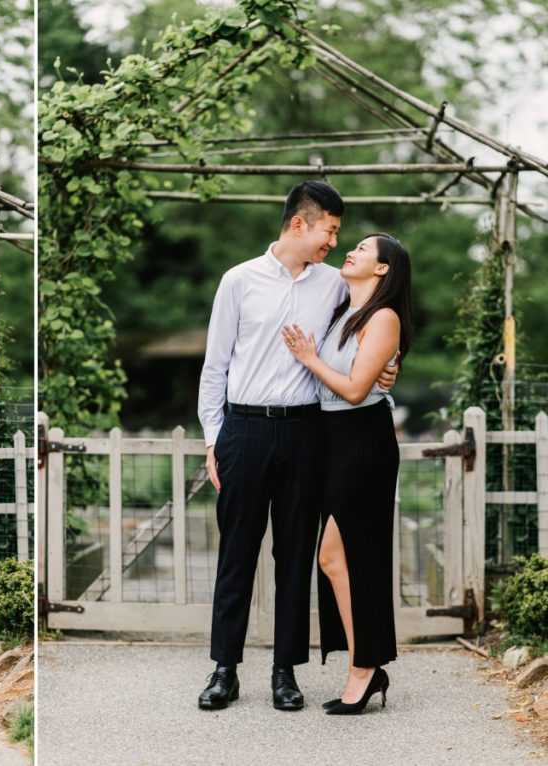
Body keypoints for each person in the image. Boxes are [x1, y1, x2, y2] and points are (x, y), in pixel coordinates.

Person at [196, 181, 397, 711]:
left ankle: (285, 672)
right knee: (236, 554)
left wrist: (389, 369)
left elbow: (369, 333)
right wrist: (215, 441)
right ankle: (224, 670)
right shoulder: (238, 281)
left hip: (308, 434)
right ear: (299, 225)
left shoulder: (335, 285)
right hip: (243, 431)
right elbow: (214, 367)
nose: (336, 241)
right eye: (331, 230)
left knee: (295, 556)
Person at [282, 232, 413, 715]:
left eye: (362, 249)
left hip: (363, 441)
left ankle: (364, 667)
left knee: (340, 554)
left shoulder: (384, 316)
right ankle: (367, 663)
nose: (350, 251)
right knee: (338, 560)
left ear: (382, 270)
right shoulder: (344, 310)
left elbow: (358, 390)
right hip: (332, 439)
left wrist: (310, 359)